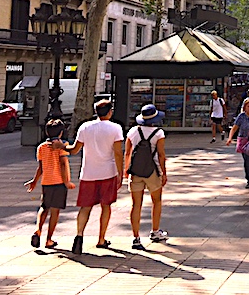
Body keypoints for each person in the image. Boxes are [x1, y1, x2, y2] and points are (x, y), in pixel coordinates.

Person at [53, 99, 124, 255]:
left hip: (88, 173)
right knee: (106, 206)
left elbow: (74, 150)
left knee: (85, 207)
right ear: (110, 112)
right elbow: (118, 153)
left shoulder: (85, 127)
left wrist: (63, 146)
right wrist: (121, 173)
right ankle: (101, 239)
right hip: (108, 172)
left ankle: (79, 236)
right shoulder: (115, 128)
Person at [25, 119, 75, 249]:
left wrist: (34, 181)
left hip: (46, 181)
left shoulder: (41, 147)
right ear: (61, 133)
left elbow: (40, 167)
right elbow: (63, 164)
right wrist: (67, 181)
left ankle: (38, 230)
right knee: (55, 211)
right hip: (59, 182)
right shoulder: (61, 145)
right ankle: (49, 239)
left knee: (44, 207)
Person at [124, 104, 169, 250]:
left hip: (135, 171)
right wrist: (164, 172)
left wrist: (126, 169)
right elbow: (161, 155)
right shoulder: (158, 133)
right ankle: (155, 231)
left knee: (136, 204)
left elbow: (127, 153)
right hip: (152, 171)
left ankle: (136, 238)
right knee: (156, 201)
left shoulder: (132, 131)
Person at [226, 97, 249, 191]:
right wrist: (230, 138)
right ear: (244, 107)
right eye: (248, 106)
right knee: (247, 161)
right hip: (244, 142)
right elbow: (234, 128)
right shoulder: (241, 116)